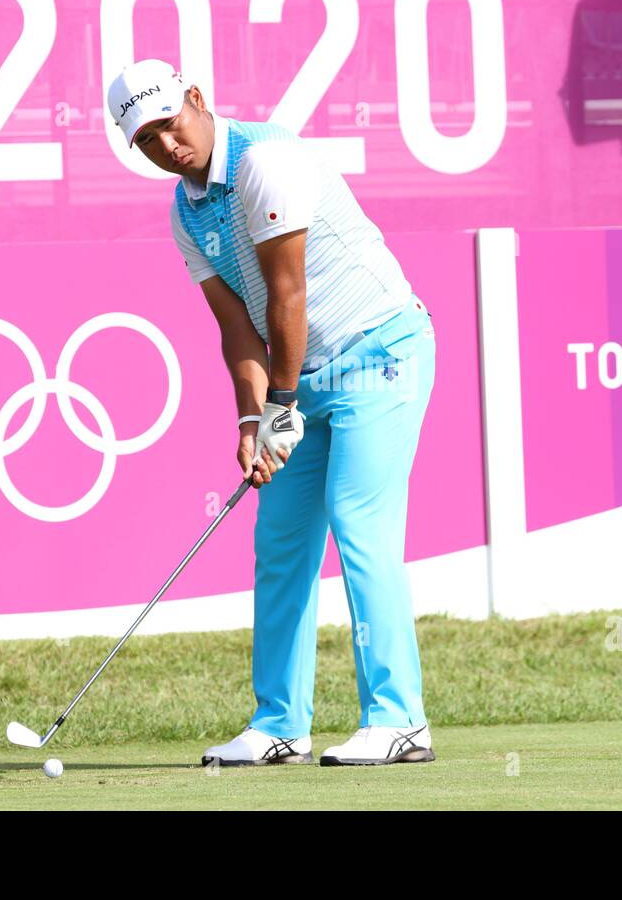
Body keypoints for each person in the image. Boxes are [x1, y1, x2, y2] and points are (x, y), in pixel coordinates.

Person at [106, 59, 437, 767]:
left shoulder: (267, 162)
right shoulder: (184, 211)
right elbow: (238, 327)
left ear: (196, 98)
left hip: (379, 352)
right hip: (299, 380)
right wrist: (252, 422)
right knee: (281, 544)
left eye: (169, 124)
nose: (166, 145)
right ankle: (279, 722)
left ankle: (400, 718)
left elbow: (288, 298)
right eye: (146, 141)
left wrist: (282, 405)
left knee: (358, 523)